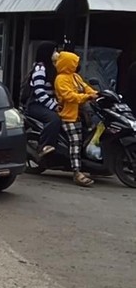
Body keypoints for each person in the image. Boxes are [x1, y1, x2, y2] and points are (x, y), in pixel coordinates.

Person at [54, 50, 98, 187]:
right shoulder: (61, 79)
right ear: (68, 64)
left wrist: (96, 93)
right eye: (74, 63)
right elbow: (69, 96)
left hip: (81, 116)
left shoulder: (75, 77)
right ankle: (77, 172)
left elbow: (86, 87)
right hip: (68, 116)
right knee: (76, 143)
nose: (77, 65)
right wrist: (87, 97)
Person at [26, 41, 62, 156]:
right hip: (36, 105)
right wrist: (54, 106)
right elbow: (39, 91)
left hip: (47, 104)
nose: (57, 54)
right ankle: (44, 146)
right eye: (54, 51)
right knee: (54, 119)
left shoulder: (53, 67)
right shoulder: (40, 68)